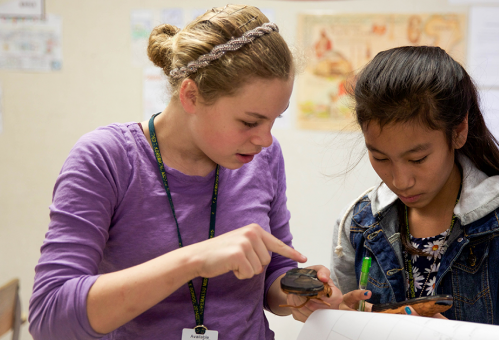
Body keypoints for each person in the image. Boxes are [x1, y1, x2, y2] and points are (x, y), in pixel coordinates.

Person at [29, 5, 340, 340]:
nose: (265, 140)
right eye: (249, 122)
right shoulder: (107, 158)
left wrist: (294, 292)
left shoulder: (263, 158)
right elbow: (50, 319)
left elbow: (273, 273)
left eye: (274, 119)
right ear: (191, 95)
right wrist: (192, 261)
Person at [330, 46, 499, 339]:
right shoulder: (358, 223)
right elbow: (341, 324)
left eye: (418, 159)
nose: (400, 180)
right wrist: (340, 319)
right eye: (380, 158)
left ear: (459, 131)